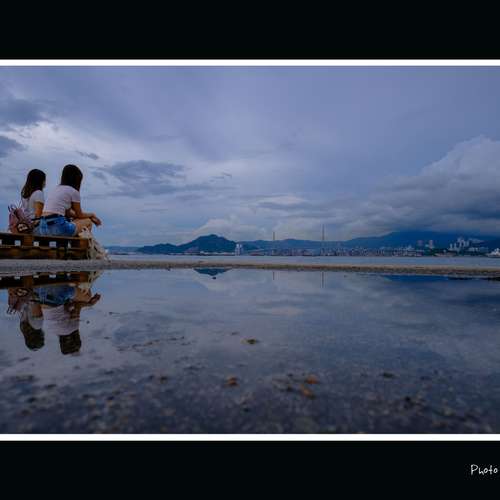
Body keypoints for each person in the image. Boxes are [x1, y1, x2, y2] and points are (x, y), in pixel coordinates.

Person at [35, 164, 102, 237]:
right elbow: (79, 215)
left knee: (76, 222)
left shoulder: (57, 189)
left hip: (42, 227)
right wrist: (92, 215)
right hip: (58, 227)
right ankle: (80, 244)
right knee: (88, 222)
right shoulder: (73, 192)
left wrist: (89, 216)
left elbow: (69, 213)